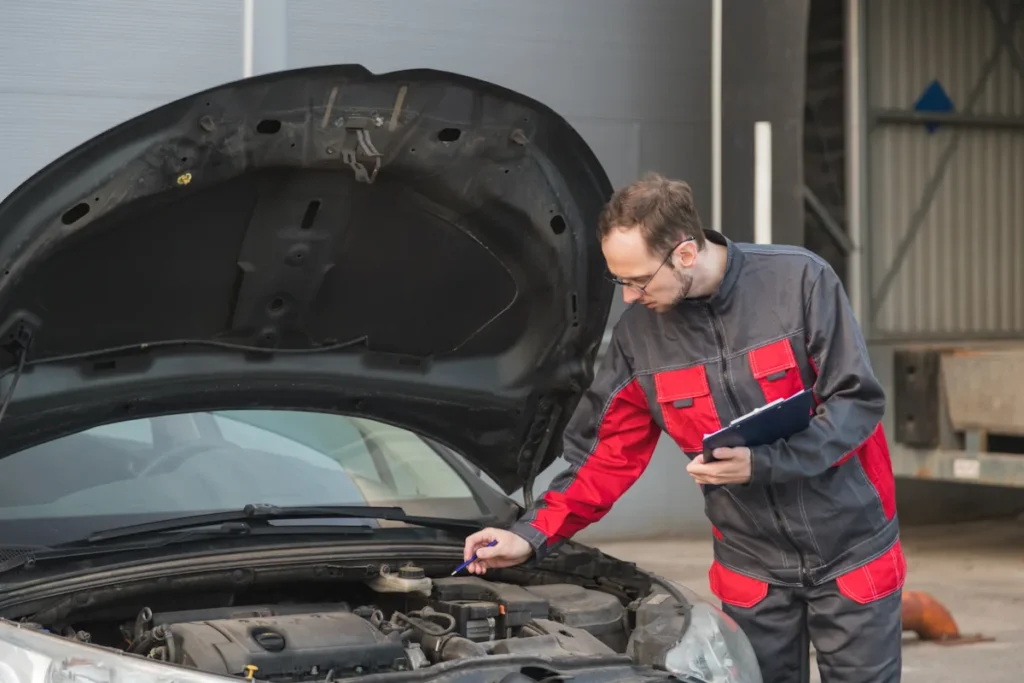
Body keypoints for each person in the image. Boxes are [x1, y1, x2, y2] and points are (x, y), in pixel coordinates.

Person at [462, 173, 903, 683]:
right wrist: (530, 535)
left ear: (686, 254)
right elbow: (603, 457)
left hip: (851, 548)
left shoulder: (799, 281)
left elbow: (856, 402)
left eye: (638, 280)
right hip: (751, 568)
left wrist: (764, 464)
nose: (628, 297)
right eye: (619, 280)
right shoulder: (639, 341)